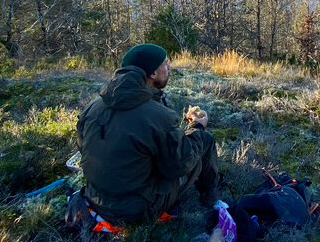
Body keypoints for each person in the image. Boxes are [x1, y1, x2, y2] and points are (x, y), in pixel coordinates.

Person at [76, 43, 219, 225]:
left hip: (95, 199)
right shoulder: (158, 116)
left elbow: (83, 147)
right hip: (138, 210)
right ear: (152, 73)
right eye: (166, 63)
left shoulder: (92, 107)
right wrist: (197, 127)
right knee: (204, 139)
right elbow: (179, 165)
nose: (170, 67)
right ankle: (212, 202)